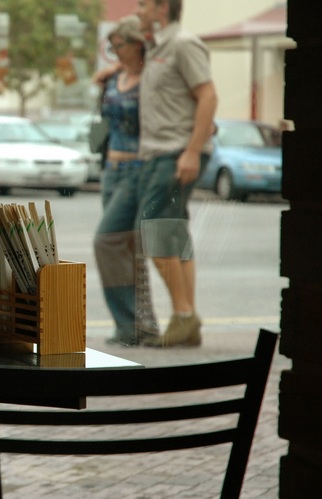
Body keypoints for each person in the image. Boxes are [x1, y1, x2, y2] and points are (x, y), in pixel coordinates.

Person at [135, 0, 218, 347]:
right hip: (160, 154)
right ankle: (187, 319)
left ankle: (184, 315)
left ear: (162, 7)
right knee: (173, 235)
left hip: (174, 154)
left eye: (142, 3)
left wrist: (192, 151)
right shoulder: (157, 47)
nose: (138, 10)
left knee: (153, 232)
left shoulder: (183, 44)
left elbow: (208, 96)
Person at [93, 15, 160, 347]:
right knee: (128, 249)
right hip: (111, 171)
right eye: (111, 46)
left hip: (137, 171)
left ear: (137, 44)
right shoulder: (114, 77)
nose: (113, 52)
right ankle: (139, 327)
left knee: (106, 241)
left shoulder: (153, 78)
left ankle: (128, 323)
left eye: (118, 45)